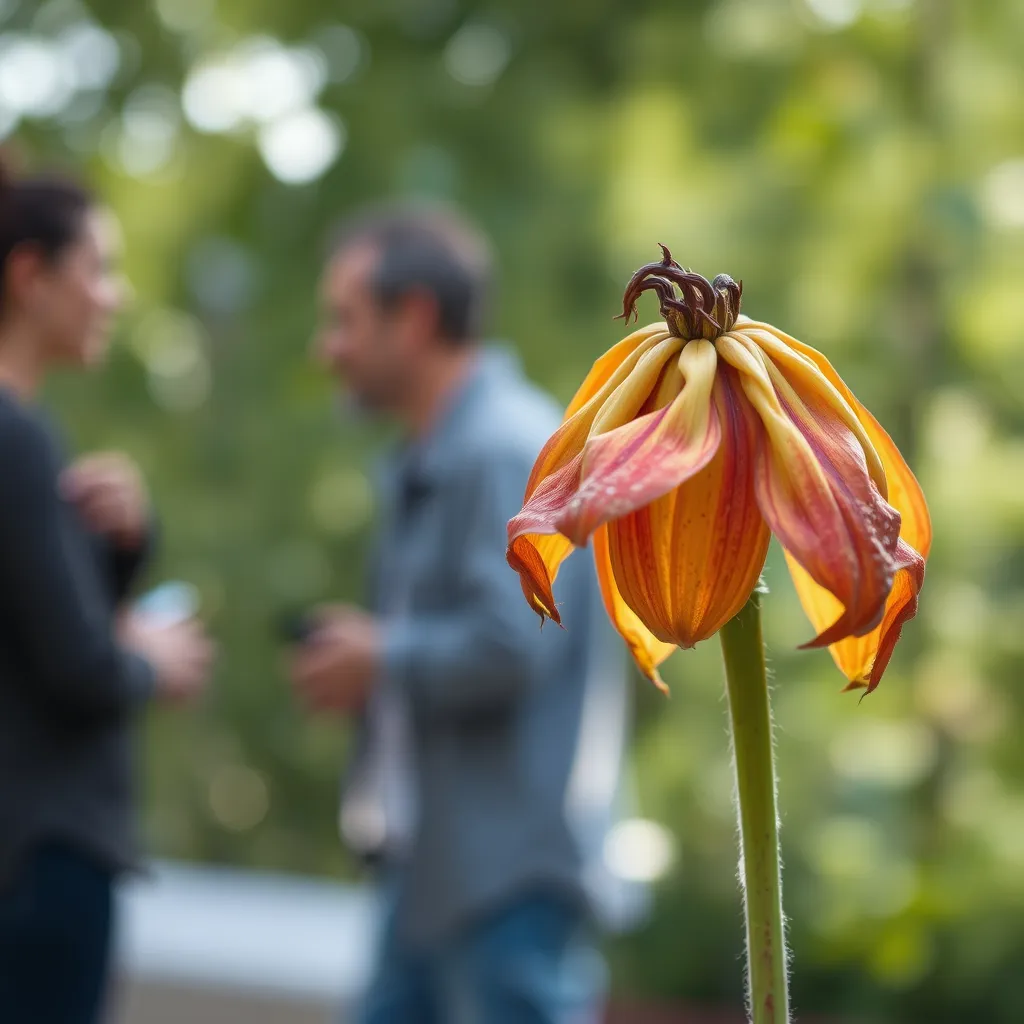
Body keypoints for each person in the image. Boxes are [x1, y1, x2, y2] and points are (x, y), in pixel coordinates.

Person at [291, 203, 630, 1023]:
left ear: (413, 319)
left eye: (344, 320)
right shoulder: (443, 451)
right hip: (433, 874)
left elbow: (516, 643)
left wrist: (379, 657)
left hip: (503, 883)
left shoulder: (504, 446)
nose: (327, 348)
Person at [0, 160, 215, 1023]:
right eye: (98, 269)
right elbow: (79, 667)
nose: (114, 296)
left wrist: (121, 547)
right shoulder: (15, 437)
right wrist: (152, 659)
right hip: (39, 853)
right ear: (31, 276)